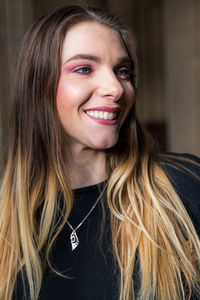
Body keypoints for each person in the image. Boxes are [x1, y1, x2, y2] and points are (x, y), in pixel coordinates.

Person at [0, 4, 200, 300]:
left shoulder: (185, 186)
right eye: (84, 69)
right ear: (39, 85)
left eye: (123, 71)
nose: (116, 88)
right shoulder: (7, 223)